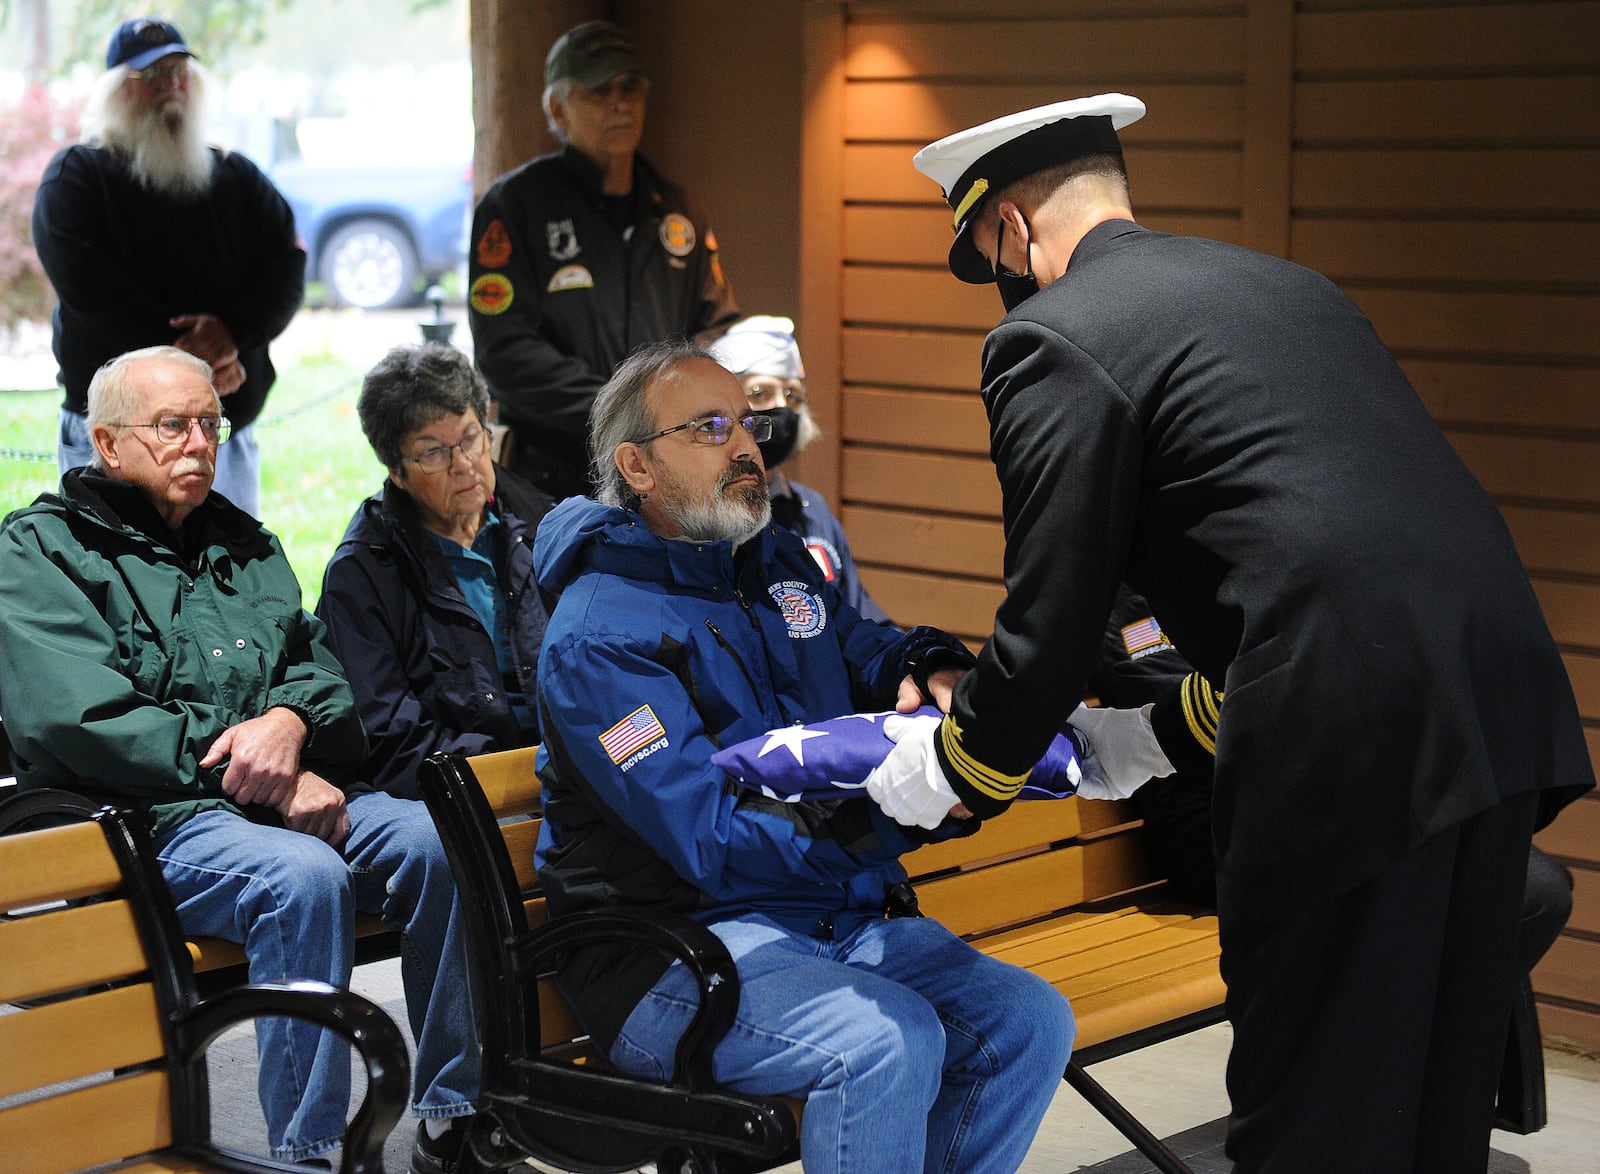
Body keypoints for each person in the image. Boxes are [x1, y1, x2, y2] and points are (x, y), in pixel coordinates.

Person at [858, 94, 1597, 1171]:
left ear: (1011, 226)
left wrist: (962, 770)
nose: (1002, 285)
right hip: (1492, 707)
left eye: (989, 254)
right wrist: (1157, 734)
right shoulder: (1283, 286)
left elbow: (1052, 610)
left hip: (1346, 747)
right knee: (1429, 1105)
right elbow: (1303, 553)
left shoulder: (1050, 337)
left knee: (1316, 1114)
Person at [530, 340, 1076, 1174]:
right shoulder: (599, 635)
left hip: (825, 918)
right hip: (673, 951)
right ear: (636, 466)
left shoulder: (770, 568)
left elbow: (861, 647)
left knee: (1029, 1020)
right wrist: (888, 815)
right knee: (885, 1044)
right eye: (710, 428)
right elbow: (708, 836)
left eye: (746, 421)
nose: (746, 444)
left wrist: (924, 664)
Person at [0, 347, 478, 1171]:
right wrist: (255, 764)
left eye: (211, 425)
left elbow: (322, 673)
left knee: (438, 841)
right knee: (301, 877)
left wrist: (290, 721)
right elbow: (76, 720)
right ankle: (310, 1150)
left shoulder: (245, 544)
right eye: (172, 426)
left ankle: (456, 1114)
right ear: (108, 443)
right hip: (145, 821)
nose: (199, 443)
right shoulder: (40, 552)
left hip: (272, 804)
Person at [31, 17, 305, 519]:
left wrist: (235, 335)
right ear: (117, 90)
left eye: (179, 72)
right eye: (152, 76)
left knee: (231, 586)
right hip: (115, 441)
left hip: (222, 434)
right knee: (112, 587)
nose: (170, 87)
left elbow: (286, 267)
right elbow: (87, 287)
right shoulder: (77, 177)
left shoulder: (237, 177)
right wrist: (194, 363)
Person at [466, 19, 739, 500]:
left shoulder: (677, 209)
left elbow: (716, 327)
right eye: (598, 90)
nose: (620, 103)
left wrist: (674, 416)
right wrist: (628, 413)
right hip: (551, 476)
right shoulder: (514, 208)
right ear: (558, 108)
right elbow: (505, 350)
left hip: (669, 478)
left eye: (630, 86)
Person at [317, 343, 556, 798]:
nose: (463, 464)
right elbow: (386, 738)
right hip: (471, 793)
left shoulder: (546, 523)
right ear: (396, 472)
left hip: (576, 767)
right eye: (433, 453)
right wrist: (525, 775)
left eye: (470, 437)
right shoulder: (362, 573)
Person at [708, 314, 893, 624]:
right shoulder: (698, 514)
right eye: (760, 393)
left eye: (793, 395)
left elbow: (858, 617)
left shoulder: (813, 511)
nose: (782, 407)